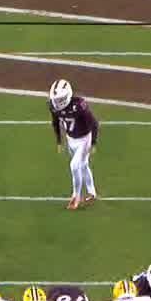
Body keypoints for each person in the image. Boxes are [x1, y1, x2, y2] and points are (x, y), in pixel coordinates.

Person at [49, 78, 100, 209]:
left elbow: (94, 123)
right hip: (71, 139)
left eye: (60, 99)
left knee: (74, 166)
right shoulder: (53, 106)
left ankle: (75, 196)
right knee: (83, 165)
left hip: (84, 139)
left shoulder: (79, 105)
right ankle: (92, 192)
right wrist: (59, 141)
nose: (57, 102)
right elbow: (55, 122)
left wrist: (93, 142)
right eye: (56, 99)